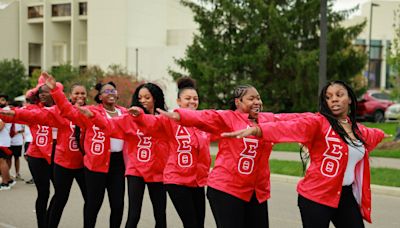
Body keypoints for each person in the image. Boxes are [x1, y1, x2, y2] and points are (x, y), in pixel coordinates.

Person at [221, 81, 387, 228]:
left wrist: (382, 134)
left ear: (350, 99)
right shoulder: (318, 122)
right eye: (328, 97)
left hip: (345, 196)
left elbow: (373, 135)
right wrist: (258, 130)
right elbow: (289, 127)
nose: (334, 99)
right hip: (316, 197)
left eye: (339, 95)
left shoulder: (359, 131)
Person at [157, 84, 306, 228]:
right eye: (251, 99)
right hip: (226, 189)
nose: (257, 102)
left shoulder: (267, 119)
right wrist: (179, 115)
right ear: (238, 102)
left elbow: (291, 120)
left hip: (256, 191)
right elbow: (204, 117)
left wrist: (320, 118)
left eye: (258, 98)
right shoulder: (228, 118)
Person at [128, 77, 213, 228]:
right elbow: (153, 122)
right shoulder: (170, 119)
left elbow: (222, 124)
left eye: (195, 98)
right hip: (177, 179)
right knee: (191, 224)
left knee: (198, 224)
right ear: (179, 101)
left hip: (198, 181)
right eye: (188, 98)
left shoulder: (203, 121)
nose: (192, 101)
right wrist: (140, 116)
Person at [45, 74, 126, 228]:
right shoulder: (90, 112)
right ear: (100, 96)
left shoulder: (126, 112)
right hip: (96, 164)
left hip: (117, 164)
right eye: (106, 91)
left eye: (113, 91)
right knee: (93, 204)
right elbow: (68, 111)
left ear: (117, 94)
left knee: (118, 205)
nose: (110, 93)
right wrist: (55, 90)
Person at [110, 82, 169, 228]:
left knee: (160, 214)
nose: (143, 100)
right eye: (140, 97)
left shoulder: (164, 118)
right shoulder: (129, 117)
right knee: (134, 214)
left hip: (158, 170)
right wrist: (90, 117)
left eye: (147, 97)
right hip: (136, 170)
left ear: (155, 98)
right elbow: (108, 124)